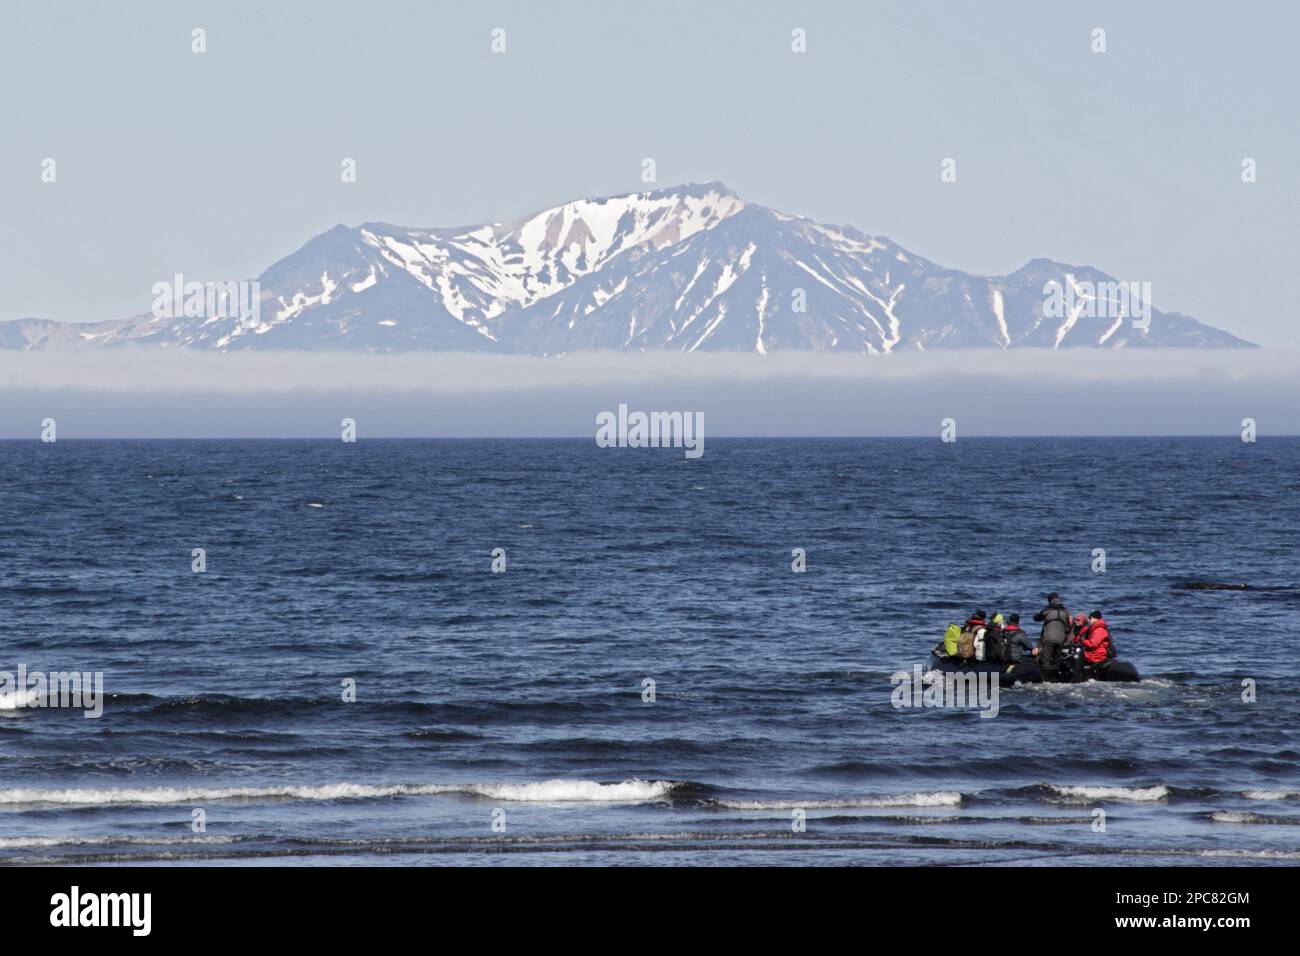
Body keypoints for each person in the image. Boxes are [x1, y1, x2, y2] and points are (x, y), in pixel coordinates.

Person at [1033, 592, 1071, 676]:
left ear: (1049, 601)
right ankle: (1057, 676)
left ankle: (1047, 676)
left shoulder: (1047, 610)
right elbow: (1068, 628)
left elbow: (1036, 618)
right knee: (1057, 659)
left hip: (1049, 638)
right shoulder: (1065, 612)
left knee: (1046, 659)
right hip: (1061, 639)